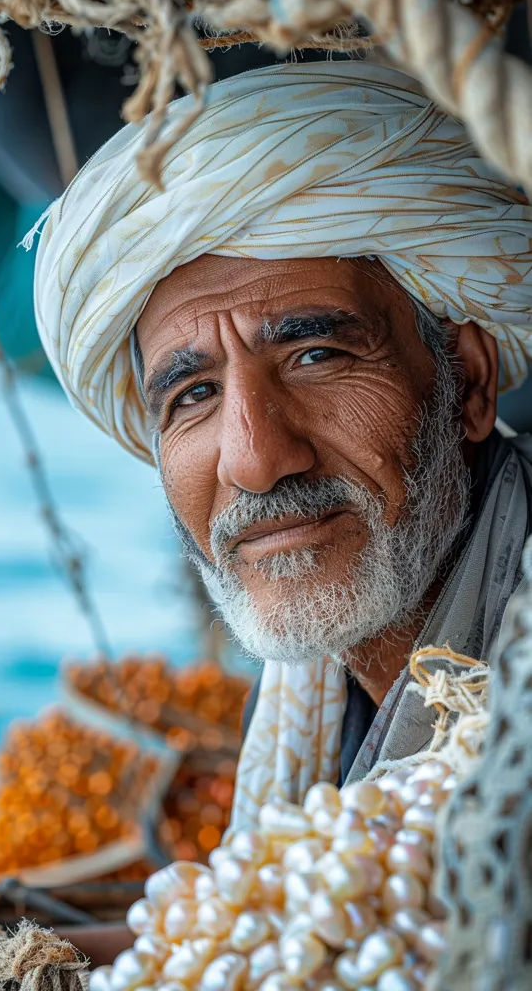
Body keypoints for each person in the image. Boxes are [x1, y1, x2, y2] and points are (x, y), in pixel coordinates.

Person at [33, 60, 532, 874]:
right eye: (192, 394)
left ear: (466, 382)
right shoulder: (318, 671)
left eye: (316, 354)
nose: (258, 460)